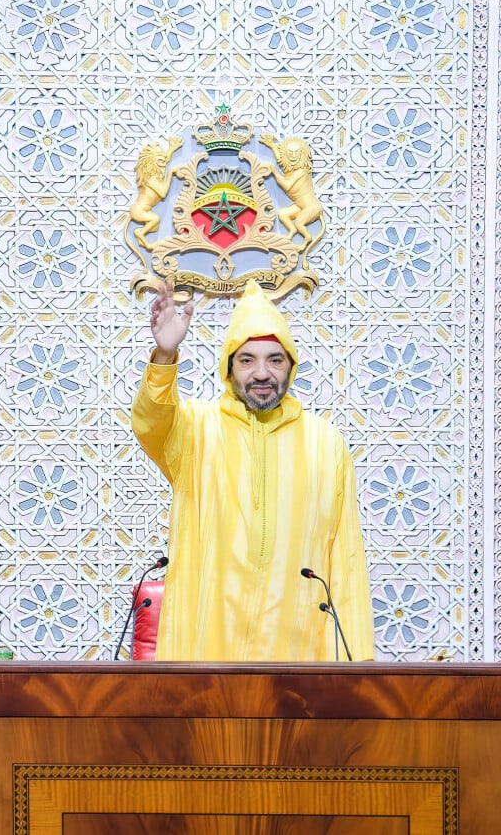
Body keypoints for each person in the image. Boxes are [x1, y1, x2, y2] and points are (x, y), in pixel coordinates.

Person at [131, 279, 374, 661]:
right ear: (229, 369)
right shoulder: (195, 430)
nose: (262, 373)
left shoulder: (325, 443)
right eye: (247, 360)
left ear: (291, 367)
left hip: (297, 652)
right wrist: (165, 356)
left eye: (274, 360)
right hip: (207, 644)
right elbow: (150, 423)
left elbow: (345, 559)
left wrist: (356, 664)